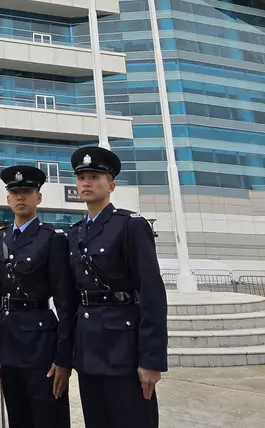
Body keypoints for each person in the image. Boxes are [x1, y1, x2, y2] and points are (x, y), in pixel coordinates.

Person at [66, 146, 166, 428]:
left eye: (95, 176)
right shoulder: (75, 233)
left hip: (124, 349)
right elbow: (73, 297)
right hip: (88, 350)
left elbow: (152, 293)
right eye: (81, 177)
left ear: (110, 185)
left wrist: (151, 360)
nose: (86, 182)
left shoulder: (130, 225)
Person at [0, 165, 76, 428]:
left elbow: (65, 302)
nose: (20, 197)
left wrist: (63, 358)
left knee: (48, 417)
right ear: (7, 199)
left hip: (41, 345)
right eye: (15, 192)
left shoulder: (51, 238)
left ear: (38, 197)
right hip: (9, 342)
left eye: (26, 192)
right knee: (18, 416)